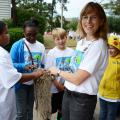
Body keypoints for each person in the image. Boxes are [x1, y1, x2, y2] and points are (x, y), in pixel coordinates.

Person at [49, 2, 108, 120]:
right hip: (68, 92)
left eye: (93, 17)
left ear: (101, 21)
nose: (88, 21)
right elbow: (73, 69)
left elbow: (77, 79)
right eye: (85, 17)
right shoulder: (81, 42)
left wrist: (58, 71)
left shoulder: (98, 45)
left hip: (82, 99)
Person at [0, 21, 44, 120]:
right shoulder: (16, 46)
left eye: (34, 34)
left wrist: (41, 71)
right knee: (20, 113)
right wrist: (24, 66)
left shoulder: (41, 46)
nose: (32, 37)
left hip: (33, 84)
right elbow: (12, 67)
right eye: (6, 33)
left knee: (30, 110)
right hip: (20, 86)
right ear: (23, 33)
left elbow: (42, 64)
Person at [45, 28, 74, 120]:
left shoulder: (72, 52)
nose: (61, 41)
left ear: (66, 37)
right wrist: (57, 85)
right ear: (54, 40)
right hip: (55, 88)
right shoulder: (52, 53)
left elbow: (73, 70)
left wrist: (65, 85)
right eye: (58, 39)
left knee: (63, 109)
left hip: (67, 87)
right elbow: (49, 71)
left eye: (63, 38)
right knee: (50, 110)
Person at [98, 34, 120, 120]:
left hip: (114, 96)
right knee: (102, 113)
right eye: (109, 48)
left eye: (112, 48)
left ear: (117, 48)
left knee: (111, 115)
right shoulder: (105, 57)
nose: (110, 50)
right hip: (102, 93)